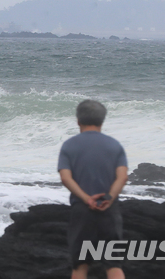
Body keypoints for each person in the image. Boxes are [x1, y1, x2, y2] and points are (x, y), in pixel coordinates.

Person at [58, 100, 128, 279]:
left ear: (78, 121)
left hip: (82, 210)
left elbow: (66, 178)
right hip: (109, 209)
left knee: (80, 266)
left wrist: (86, 199)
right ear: (102, 121)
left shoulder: (69, 145)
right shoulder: (114, 145)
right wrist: (109, 198)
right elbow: (122, 177)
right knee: (113, 265)